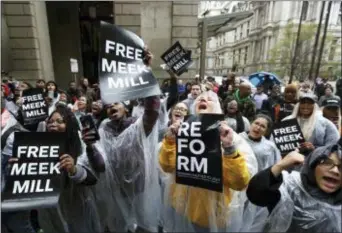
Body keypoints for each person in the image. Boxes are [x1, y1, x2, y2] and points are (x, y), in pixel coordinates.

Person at [159, 91, 258, 232]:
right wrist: (170, 140)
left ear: (219, 109)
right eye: (200, 99)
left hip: (212, 217)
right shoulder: (181, 134)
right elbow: (167, 167)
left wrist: (229, 149)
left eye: (210, 99)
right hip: (182, 209)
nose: (203, 99)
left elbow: (239, 183)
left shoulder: (231, 138)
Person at [38, 105, 105, 233]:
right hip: (51, 208)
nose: (53, 124)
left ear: (69, 125)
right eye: (50, 122)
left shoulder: (79, 145)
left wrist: (74, 170)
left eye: (59, 121)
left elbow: (93, 178)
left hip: (77, 206)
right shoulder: (39, 147)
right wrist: (19, 166)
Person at [247, 144, 341, 232]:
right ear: (313, 165)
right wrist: (280, 165)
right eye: (327, 162)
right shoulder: (291, 186)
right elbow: (256, 194)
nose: (335, 170)